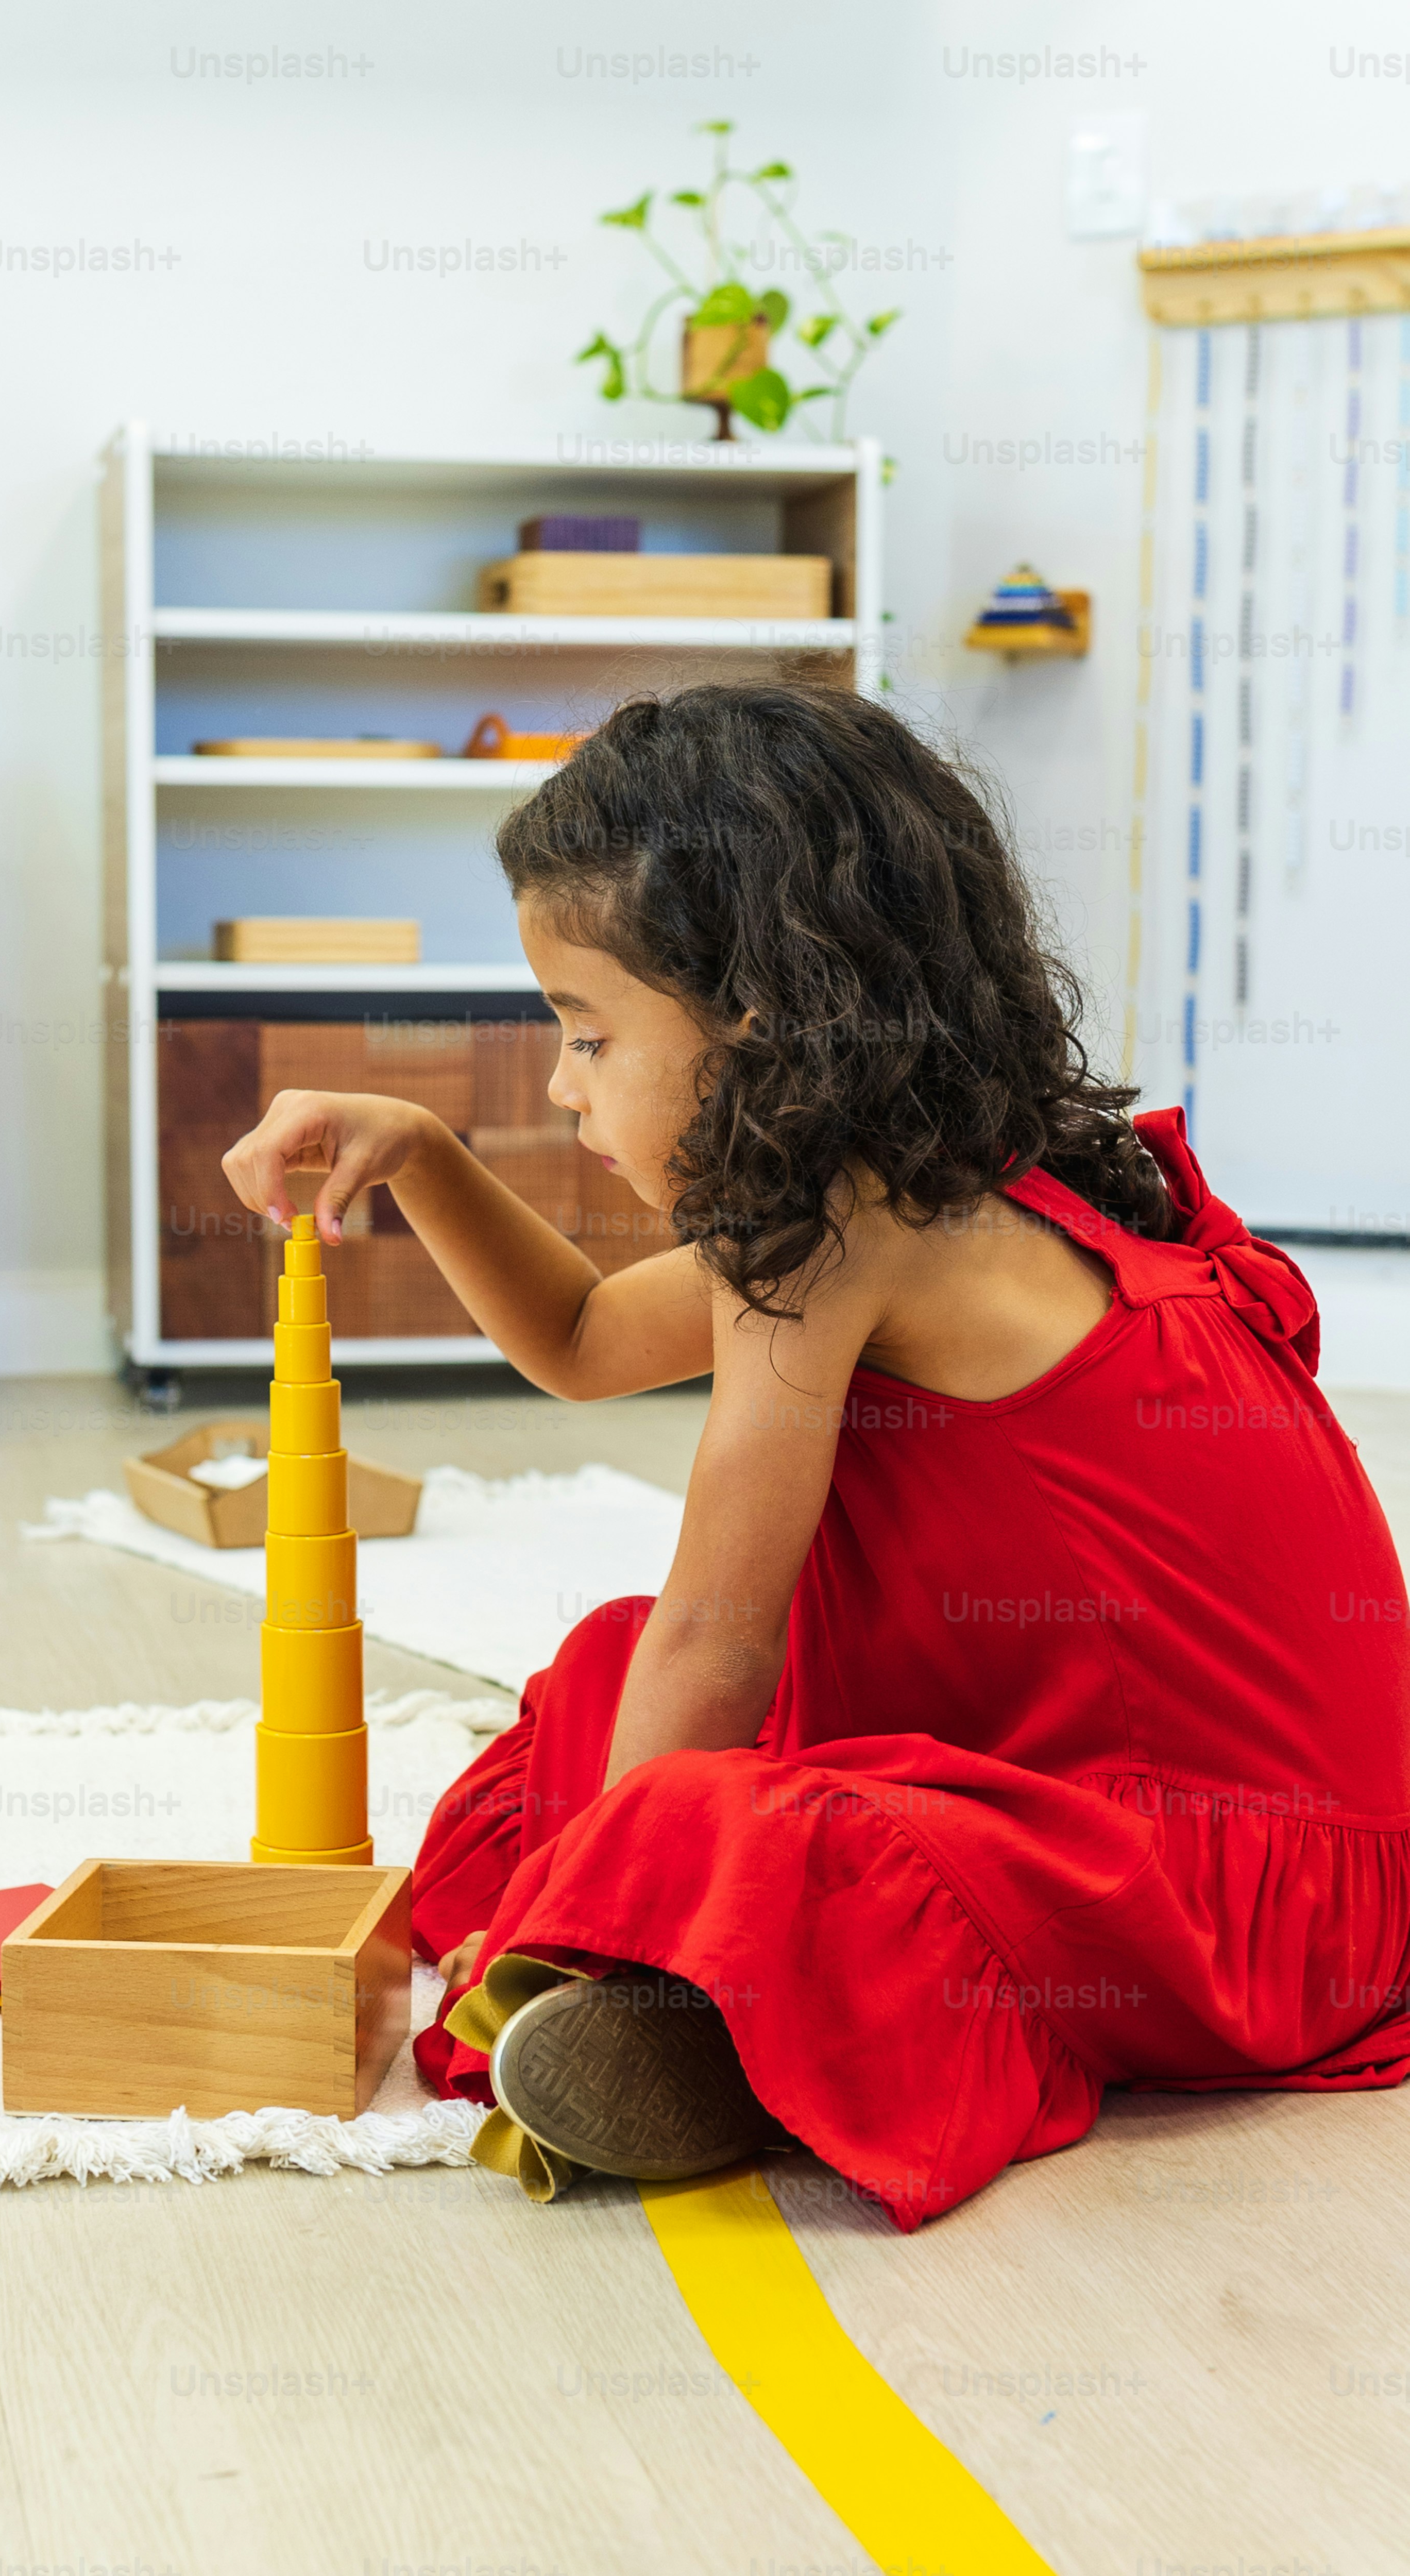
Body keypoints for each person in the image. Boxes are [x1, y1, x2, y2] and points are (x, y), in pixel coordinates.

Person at [220, 683, 1410, 2223]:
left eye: (588, 1035)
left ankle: (679, 2018)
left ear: (760, 1019)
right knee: (608, 1675)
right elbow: (581, 1338)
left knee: (720, 1795)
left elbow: (725, 1641)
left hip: (1236, 1890)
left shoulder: (845, 1228)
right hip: (1145, 1802)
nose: (565, 1082)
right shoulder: (911, 1179)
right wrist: (433, 1155)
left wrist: (599, 1917)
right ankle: (698, 2022)